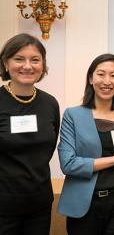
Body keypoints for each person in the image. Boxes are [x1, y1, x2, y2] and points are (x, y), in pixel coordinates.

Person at [57, 53, 114, 235]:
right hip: (84, 206)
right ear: (90, 79)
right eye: (101, 74)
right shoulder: (73, 116)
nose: (107, 81)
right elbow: (68, 164)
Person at [0, 33, 60, 235]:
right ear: (6, 63)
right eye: (19, 59)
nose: (27, 66)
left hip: (39, 204)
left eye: (35, 60)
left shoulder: (50, 103)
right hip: (3, 205)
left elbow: (47, 149)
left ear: (42, 66)